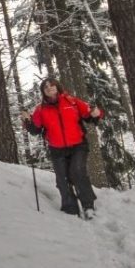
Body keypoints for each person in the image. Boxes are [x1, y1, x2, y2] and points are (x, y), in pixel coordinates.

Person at [21, 78, 103, 219]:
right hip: (56, 148)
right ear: (43, 92)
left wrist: (97, 113)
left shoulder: (72, 101)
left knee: (78, 172)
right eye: (45, 87)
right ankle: (70, 210)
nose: (48, 88)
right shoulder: (40, 109)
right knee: (62, 179)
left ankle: (88, 206)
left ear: (57, 87)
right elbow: (35, 129)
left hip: (78, 145)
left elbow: (90, 116)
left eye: (51, 85)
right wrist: (27, 120)